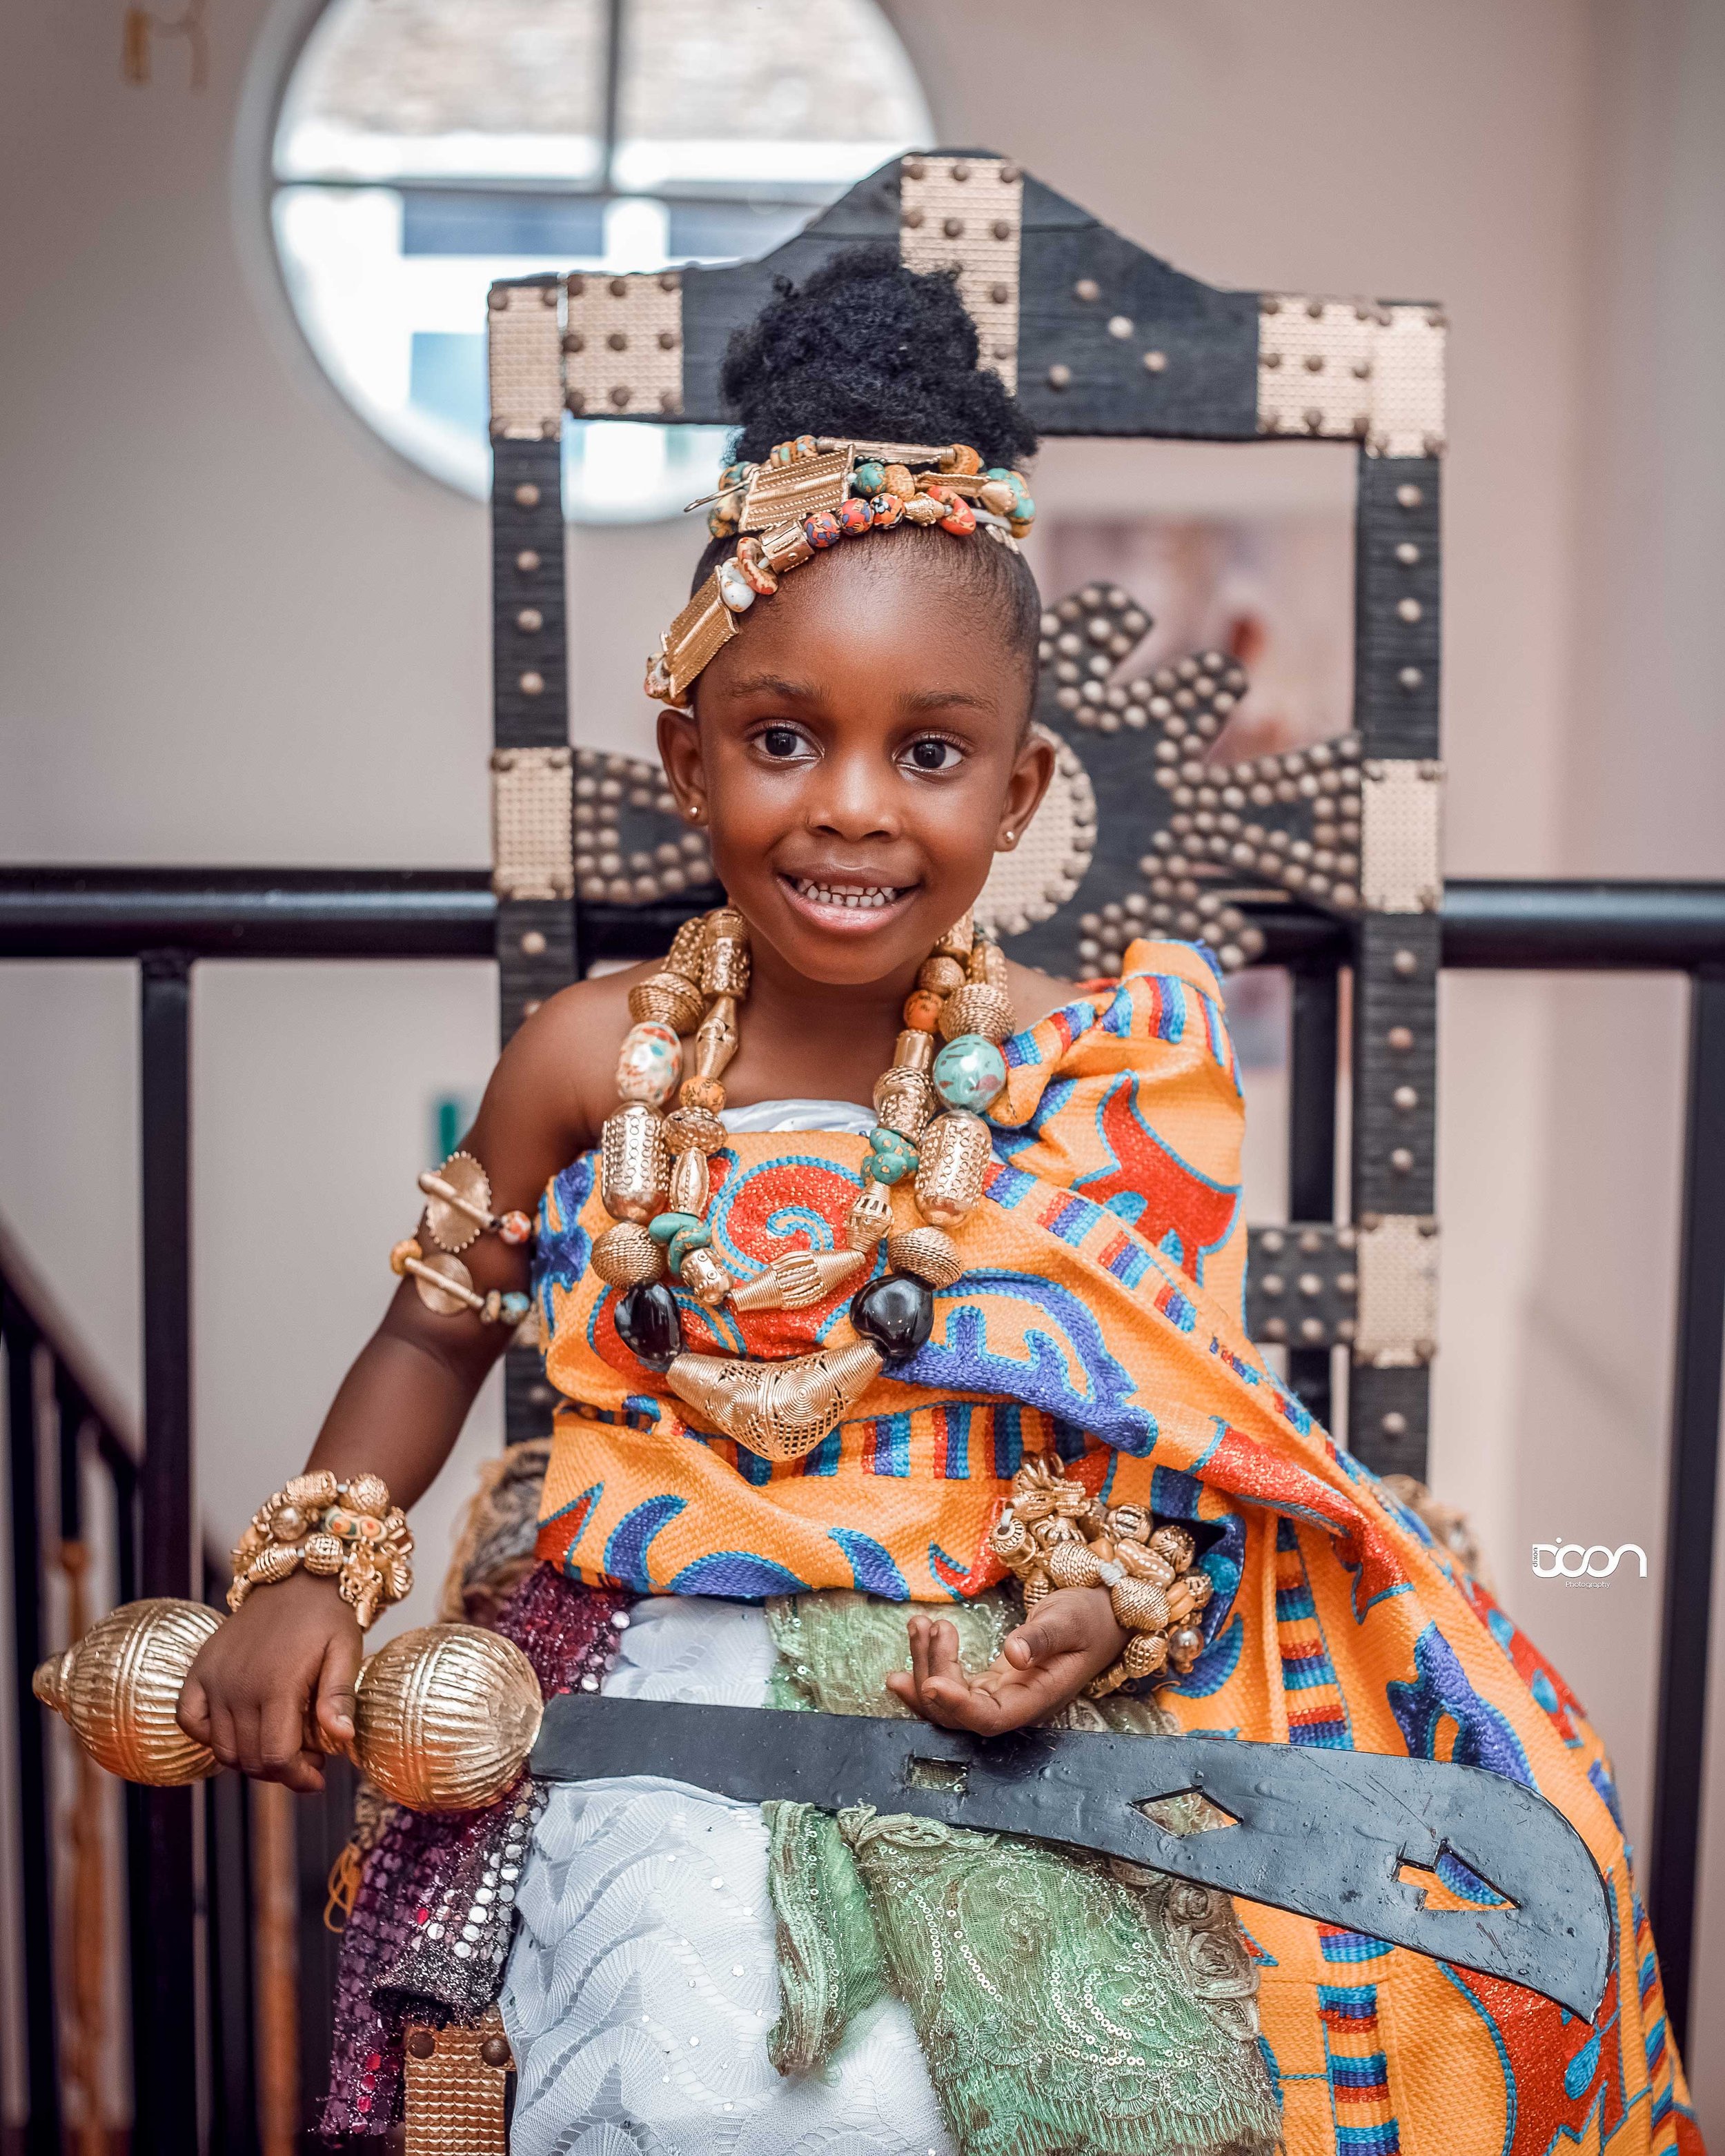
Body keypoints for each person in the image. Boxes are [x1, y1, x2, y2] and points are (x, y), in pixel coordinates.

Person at [179, 248, 1698, 2156]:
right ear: (687, 758)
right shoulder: (586, 1060)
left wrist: (1081, 1609)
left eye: (928, 752)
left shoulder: (1090, 1071)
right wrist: (312, 1570)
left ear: (1018, 788)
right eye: (781, 737)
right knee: (653, 2065)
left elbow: (1157, 1439)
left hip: (969, 1688)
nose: (850, 808)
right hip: (632, 1669)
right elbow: (433, 1326)